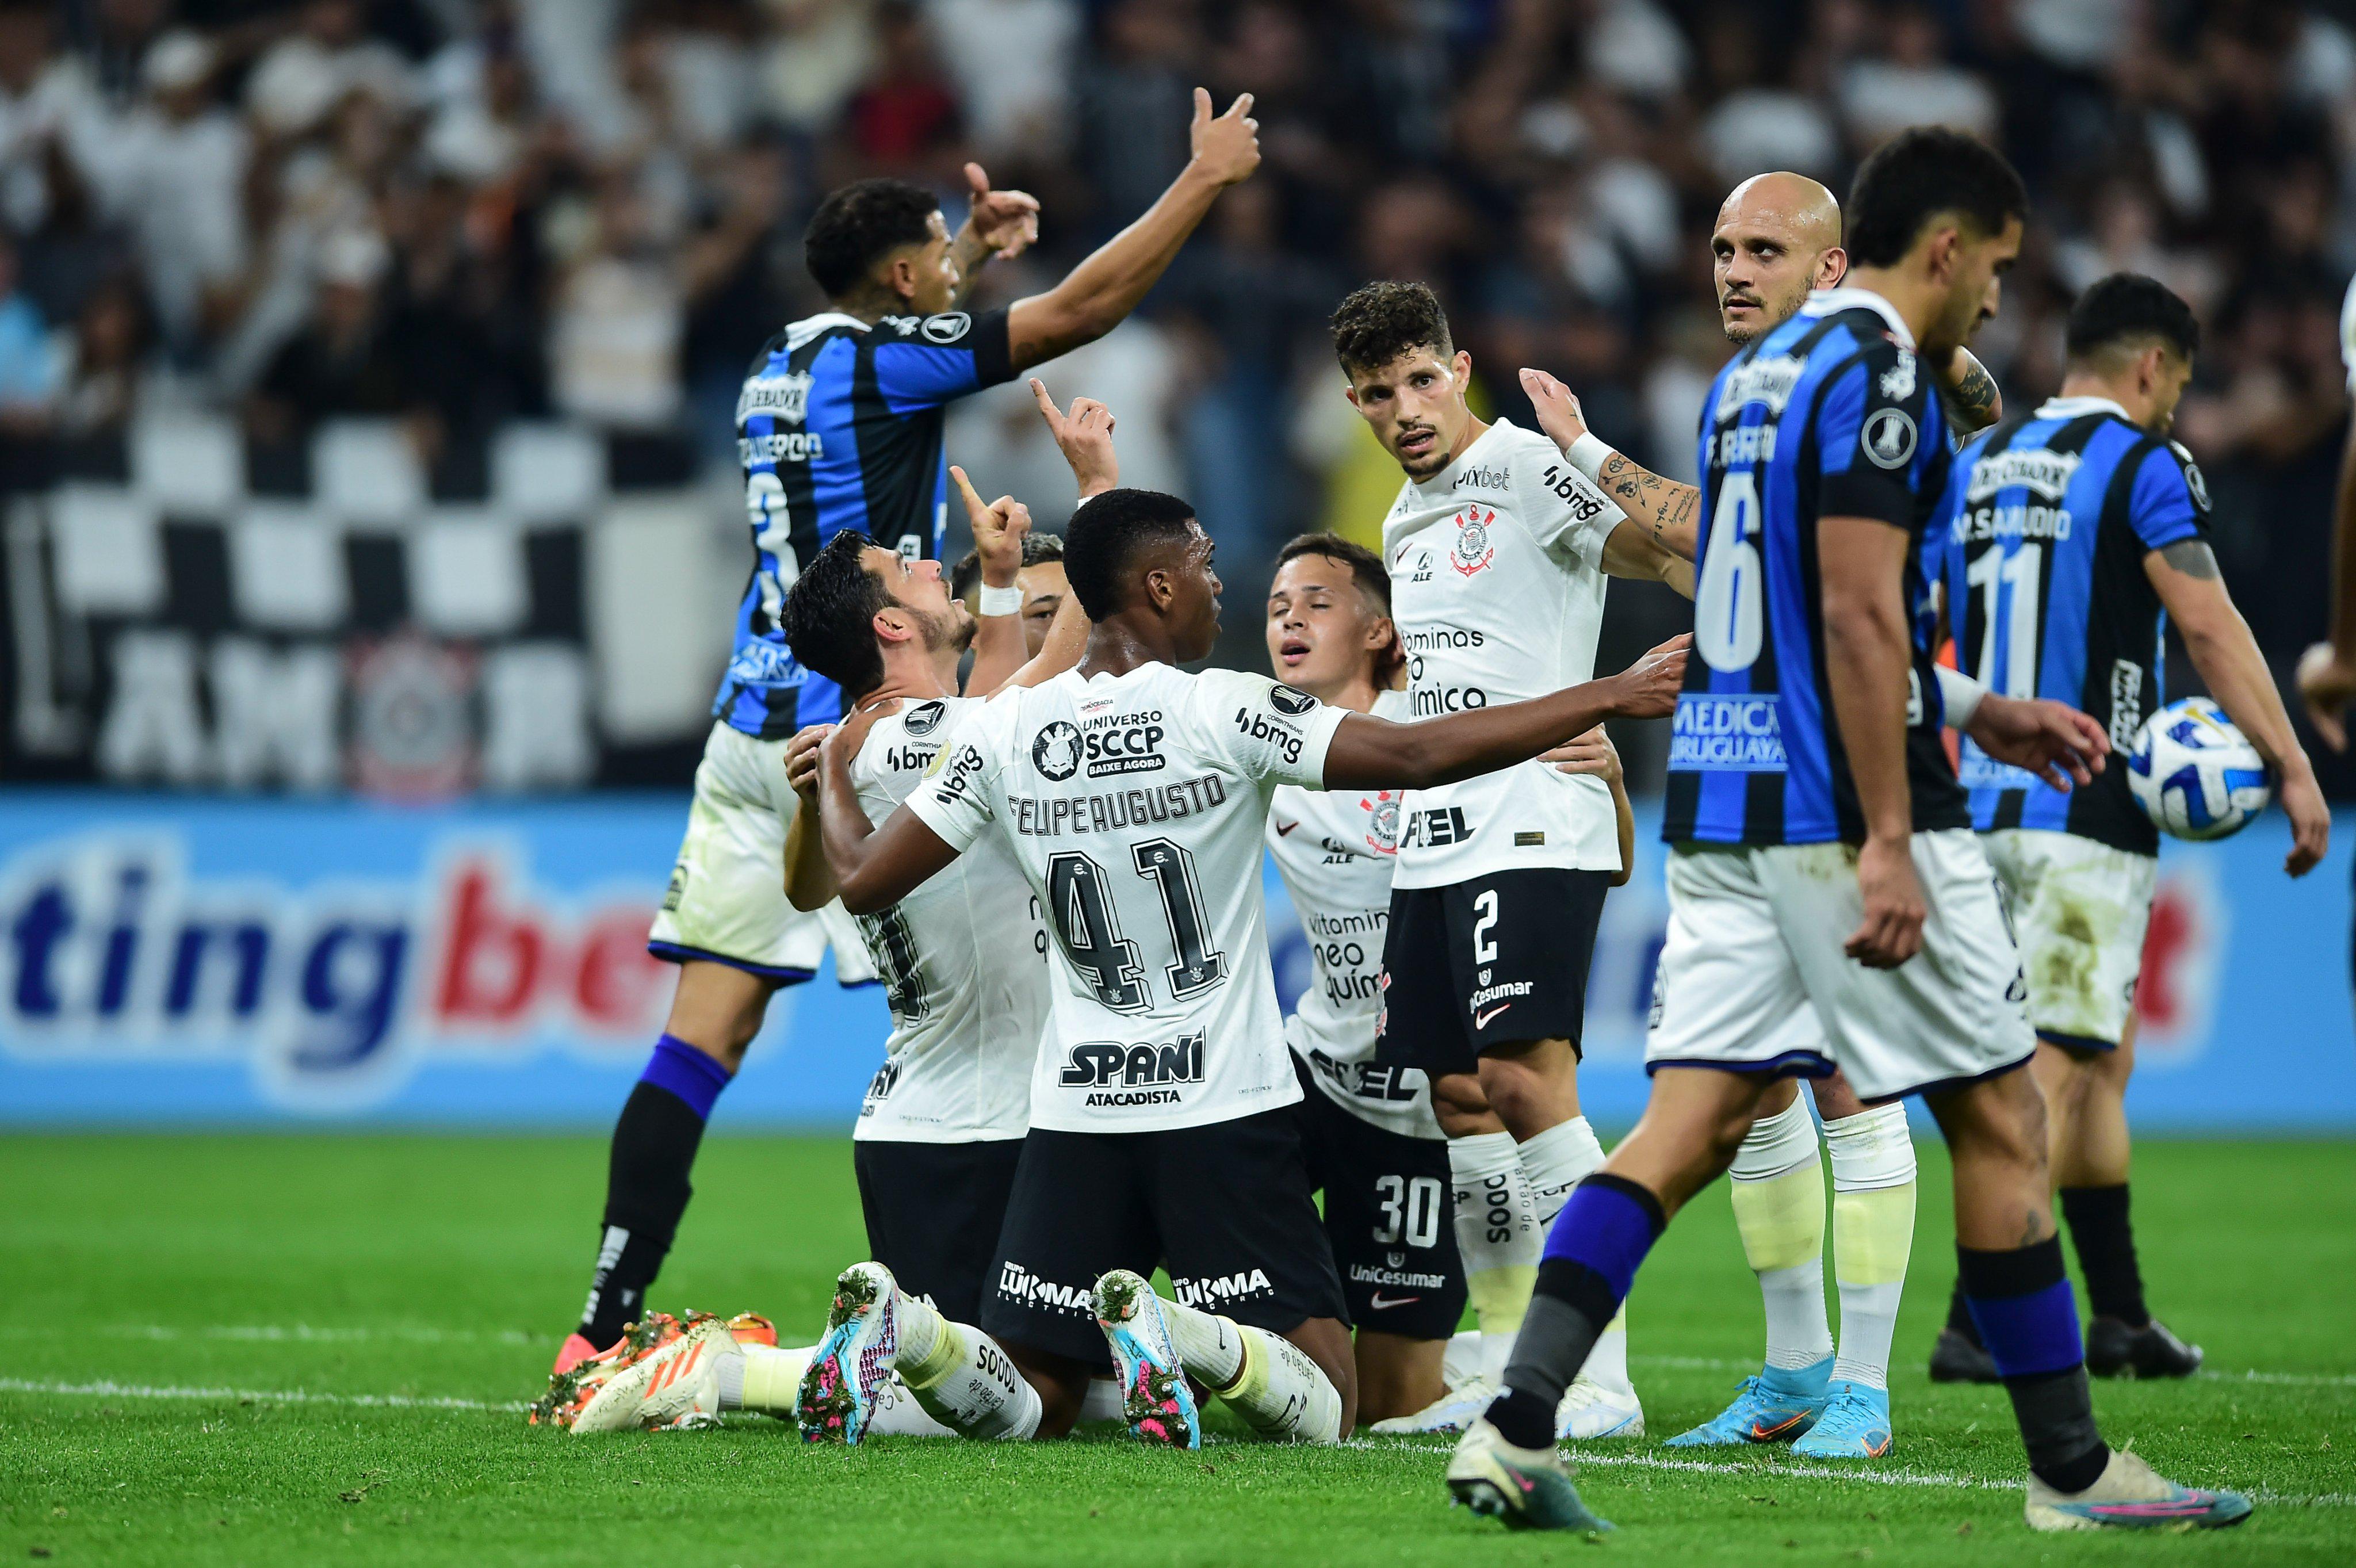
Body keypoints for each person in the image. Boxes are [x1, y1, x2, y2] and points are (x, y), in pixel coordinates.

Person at [1449, 128, 2251, 1536]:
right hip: (1843, 808)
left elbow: (1769, 610)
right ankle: (2068, 1472)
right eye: (1994, 267)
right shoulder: (1874, 374)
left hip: (1719, 801)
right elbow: (1858, 612)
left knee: (1683, 1126)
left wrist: (1976, 700)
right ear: (1945, 249)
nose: (1998, 299)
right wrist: (1894, 826)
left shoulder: (1742, 385)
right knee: (2002, 1115)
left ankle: (1514, 1426)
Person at [554, 93, 1264, 1374]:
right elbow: (1083, 314)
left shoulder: (779, 361)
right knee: (1039, 969)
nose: (961, 266)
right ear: (897, 276)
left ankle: (599, 1320)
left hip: (753, 726)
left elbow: (885, 369)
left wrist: (970, 260)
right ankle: (1102, 1302)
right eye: (941, 251)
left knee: (698, 1040)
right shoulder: (878, 360)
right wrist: (1203, 180)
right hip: (889, 728)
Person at [802, 484, 1689, 1448]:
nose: (1222, 588)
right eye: (1206, 566)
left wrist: (841, 773)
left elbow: (860, 880)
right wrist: (1611, 693)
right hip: (1218, 1104)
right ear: (1157, 584)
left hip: (1074, 1114)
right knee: (1333, 1402)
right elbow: (1422, 750)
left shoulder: (1003, 734)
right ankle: (1178, 1332)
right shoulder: (1220, 709)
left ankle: (917, 1330)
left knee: (1038, 1399)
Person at [1513, 171, 2010, 1458]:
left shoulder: (1865, 386)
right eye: (1721, 247)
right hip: (1734, 789)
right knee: (1749, 1094)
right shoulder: (1749, 399)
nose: (1731, 269)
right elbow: (1711, 544)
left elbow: (1851, 543)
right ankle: (1790, 1370)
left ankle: (1864, 1386)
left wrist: (1578, 452)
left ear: (1833, 268)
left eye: (1764, 250)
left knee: (1850, 1081)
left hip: (1843, 778)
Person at [542, 393, 1111, 1437]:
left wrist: (992, 579)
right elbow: (1034, 690)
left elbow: (986, 704)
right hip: (967, 1128)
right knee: (1029, 1406)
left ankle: (850, 1352)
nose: (927, 561)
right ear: (890, 623)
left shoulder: (884, 740)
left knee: (1053, 1385)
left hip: (971, 1115)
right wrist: (1100, 502)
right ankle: (721, 1372)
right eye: (912, 570)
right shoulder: (890, 742)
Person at [1926, 273, 2328, 1387]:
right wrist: (2291, 763)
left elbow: (1928, 617)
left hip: (1976, 795)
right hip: (2083, 802)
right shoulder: (2146, 466)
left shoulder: (1980, 459)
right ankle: (1973, 1319)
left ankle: (2119, 1318)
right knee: (2053, 1068)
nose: (2173, 406)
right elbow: (2202, 616)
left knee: (2098, 1061)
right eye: (2177, 385)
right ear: (2151, 368)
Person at [1324, 279, 1689, 1441]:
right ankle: (1494, 1362)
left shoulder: (1526, 467)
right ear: (1355, 403)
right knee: (1459, 1098)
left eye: (1420, 380)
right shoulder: (1398, 518)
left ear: (1460, 367)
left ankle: (1598, 1378)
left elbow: (1670, 553)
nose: (1404, 409)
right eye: (1378, 394)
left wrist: (1585, 444)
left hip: (1534, 815)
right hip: (1434, 831)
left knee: (1530, 1085)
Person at [1261, 531, 1639, 1424]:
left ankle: (1519, 1357)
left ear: (1381, 629)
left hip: (1414, 1112)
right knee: (1200, 1194)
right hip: (1314, 1073)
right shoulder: (1258, 742)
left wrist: (1614, 785)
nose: (1291, 621)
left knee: (1386, 1405)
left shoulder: (1444, 737)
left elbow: (1613, 866)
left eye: (1317, 602)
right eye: (1277, 607)